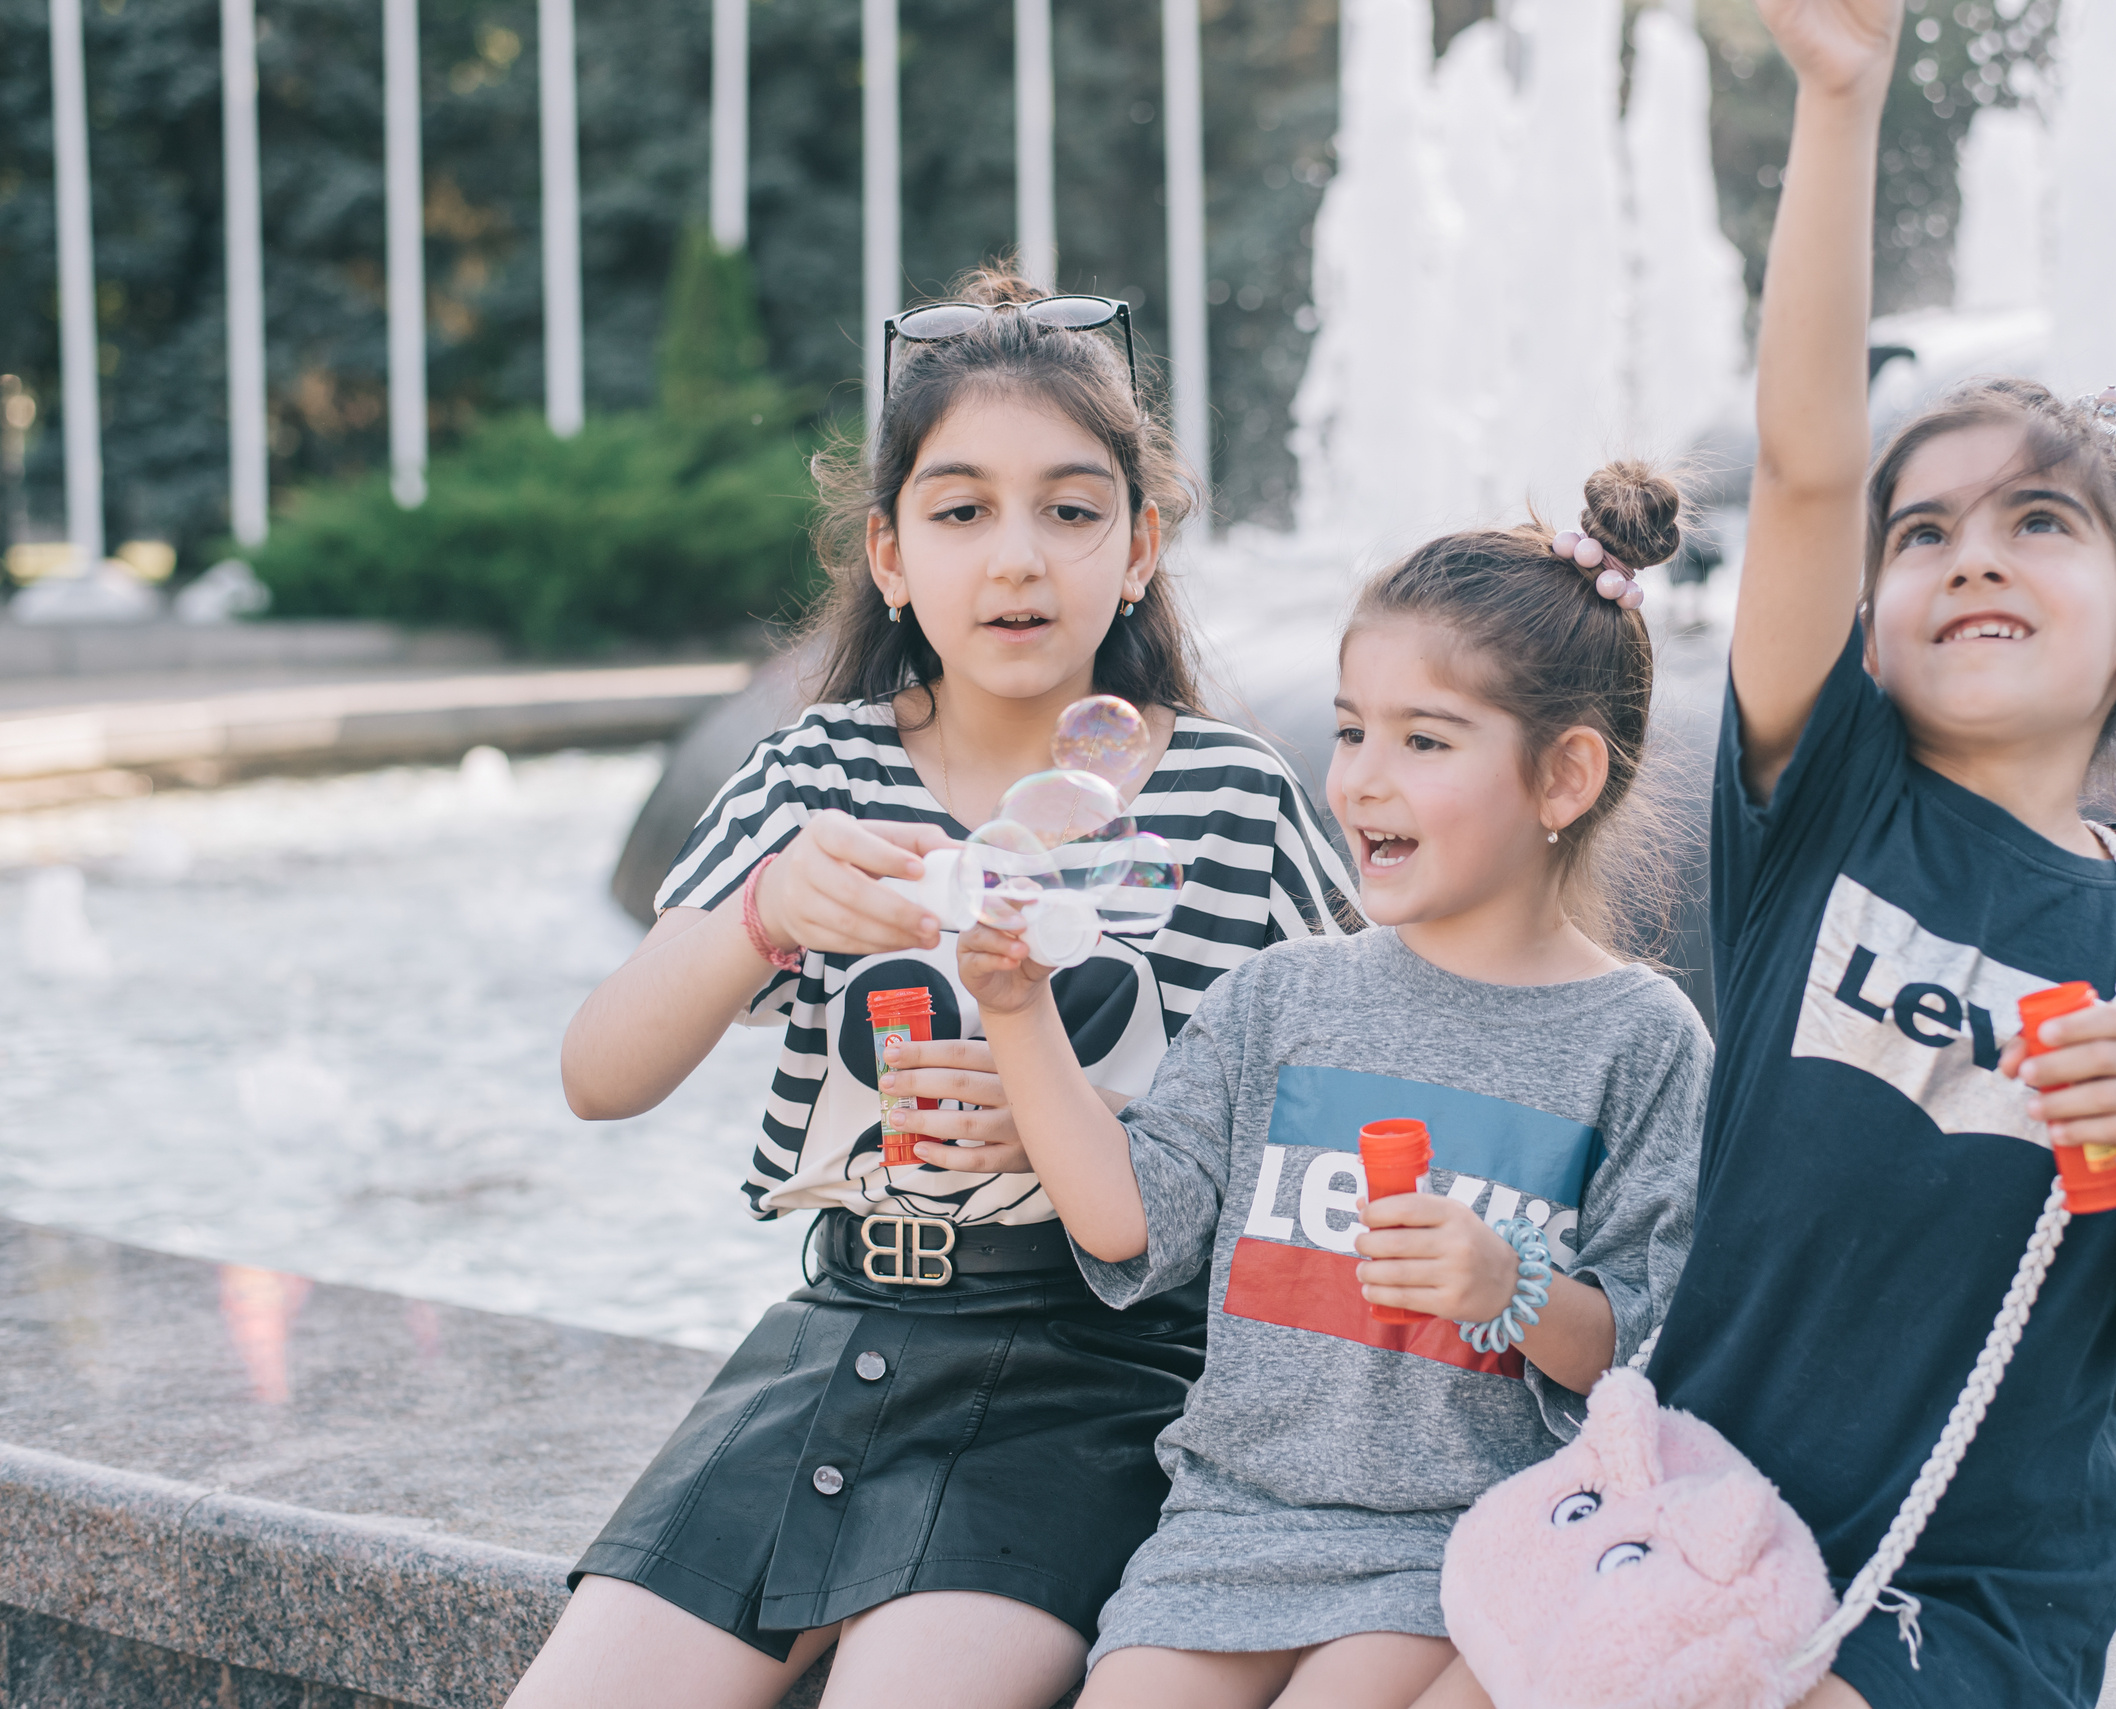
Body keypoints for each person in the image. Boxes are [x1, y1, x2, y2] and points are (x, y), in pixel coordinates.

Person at [509, 269, 1358, 1709]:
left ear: (1143, 546)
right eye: (960, 510)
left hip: (1096, 1381)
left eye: (1071, 509)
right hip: (835, 1344)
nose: (1015, 558)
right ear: (889, 555)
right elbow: (600, 1073)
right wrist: (762, 914)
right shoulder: (810, 775)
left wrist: (1078, 1129)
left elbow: (1333, 1131)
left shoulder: (1230, 797)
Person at [1631, 4, 2116, 1707]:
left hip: (1967, 1585)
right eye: (1922, 531)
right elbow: (1802, 473)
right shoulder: (1831, 803)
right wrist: (1841, 102)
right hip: (1702, 1514)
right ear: (1865, 629)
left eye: (2037, 523)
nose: (1969, 556)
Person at [957, 465, 1714, 1709]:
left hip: (1450, 1547)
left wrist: (1510, 1285)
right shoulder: (1281, 997)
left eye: (1424, 739)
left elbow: (1648, 1350)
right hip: (1225, 1533)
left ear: (1564, 777)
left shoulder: (1637, 1038)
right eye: (1353, 726)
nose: (1360, 775)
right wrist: (1017, 1009)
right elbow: (1125, 1219)